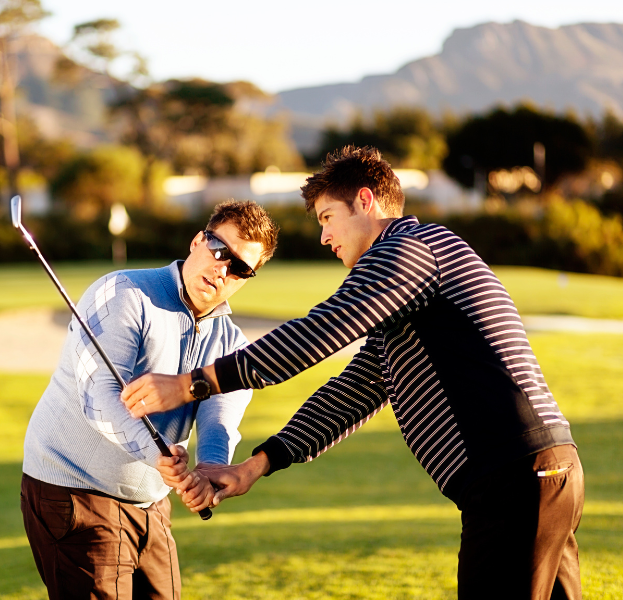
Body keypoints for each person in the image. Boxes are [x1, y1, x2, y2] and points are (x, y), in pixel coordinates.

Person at [122, 146, 585, 599]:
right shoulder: (407, 290)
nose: (324, 237)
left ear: (365, 201)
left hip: (513, 479)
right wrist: (256, 466)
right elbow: (355, 391)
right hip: (538, 476)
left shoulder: (410, 250)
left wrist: (191, 384)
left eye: (327, 217)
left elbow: (320, 331)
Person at [20, 199, 279, 600]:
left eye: (240, 267)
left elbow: (221, 416)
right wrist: (156, 454)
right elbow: (99, 399)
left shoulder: (229, 342)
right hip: (75, 494)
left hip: (149, 502)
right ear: (197, 241)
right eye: (218, 250)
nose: (222, 269)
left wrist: (210, 468)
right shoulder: (124, 293)